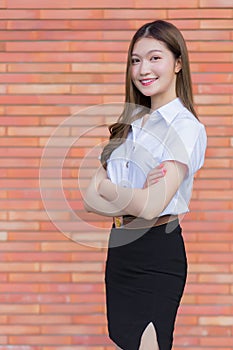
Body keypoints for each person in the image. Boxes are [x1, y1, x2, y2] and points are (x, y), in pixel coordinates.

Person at [84, 20, 207, 350]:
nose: (143, 69)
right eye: (136, 60)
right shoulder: (129, 126)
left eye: (155, 58)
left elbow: (151, 206)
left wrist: (110, 190)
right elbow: (87, 200)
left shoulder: (184, 128)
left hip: (157, 252)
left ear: (178, 63)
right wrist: (131, 196)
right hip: (121, 248)